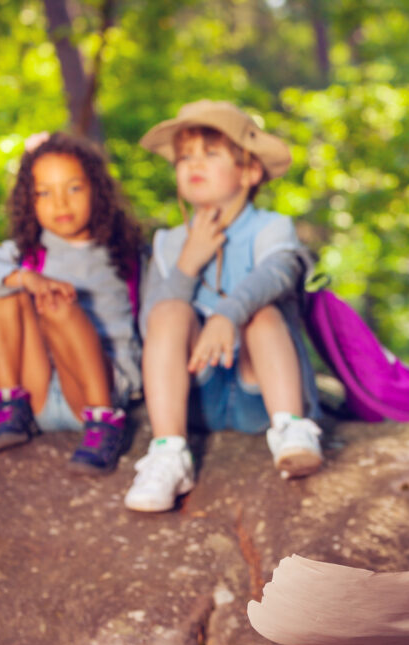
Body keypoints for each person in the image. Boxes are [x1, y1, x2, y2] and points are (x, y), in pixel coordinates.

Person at [124, 100, 322, 513]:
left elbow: (280, 273)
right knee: (168, 312)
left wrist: (227, 314)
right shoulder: (168, 244)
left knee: (262, 313)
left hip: (260, 393)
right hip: (199, 396)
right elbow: (151, 326)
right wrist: (187, 263)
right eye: (184, 157)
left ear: (250, 172)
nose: (193, 164)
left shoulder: (272, 228)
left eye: (210, 153)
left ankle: (291, 427)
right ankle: (169, 451)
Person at [0, 131, 144, 473]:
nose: (61, 204)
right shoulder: (27, 254)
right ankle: (10, 407)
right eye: (45, 192)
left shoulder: (125, 254)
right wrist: (24, 278)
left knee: (57, 305)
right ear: (30, 200)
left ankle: (104, 423)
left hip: (92, 392)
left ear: (97, 190)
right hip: (37, 395)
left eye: (74, 188)